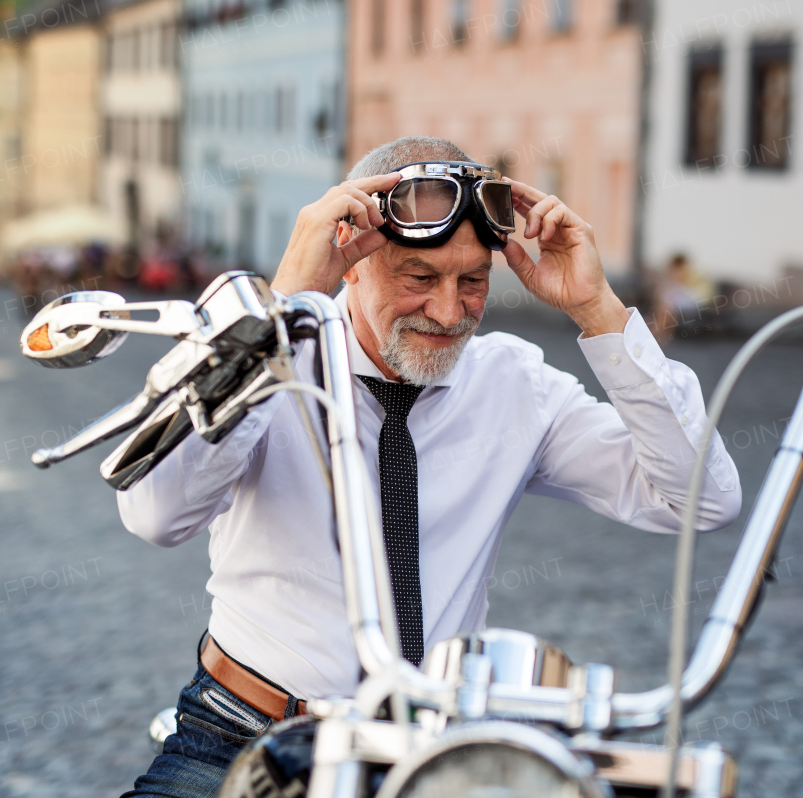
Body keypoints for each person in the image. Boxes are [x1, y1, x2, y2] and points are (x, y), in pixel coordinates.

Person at [117, 137, 742, 798]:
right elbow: (156, 512)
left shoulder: (514, 382)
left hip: (431, 751)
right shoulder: (263, 355)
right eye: (419, 279)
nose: (449, 312)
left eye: (472, 281)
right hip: (245, 733)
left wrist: (597, 309)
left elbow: (702, 499)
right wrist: (281, 307)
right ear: (350, 259)